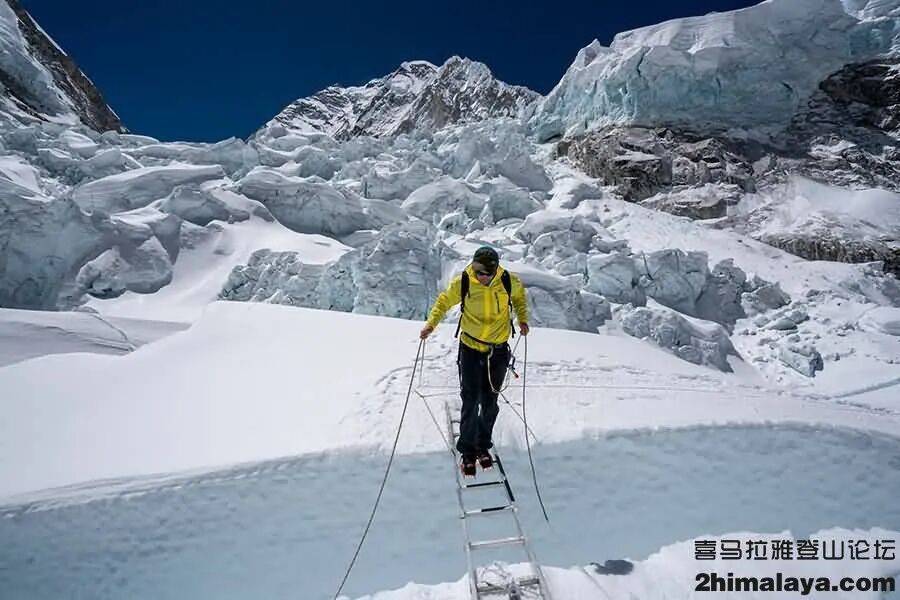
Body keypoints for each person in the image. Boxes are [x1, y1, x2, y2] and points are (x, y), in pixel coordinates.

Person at [420, 246, 530, 477]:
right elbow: (443, 302)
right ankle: (467, 451)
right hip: (470, 348)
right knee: (471, 399)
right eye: (479, 271)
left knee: (490, 401)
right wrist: (431, 324)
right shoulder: (464, 282)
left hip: (498, 351)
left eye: (486, 272)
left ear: (495, 269)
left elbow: (519, 299)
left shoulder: (509, 282)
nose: (482, 276)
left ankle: (483, 445)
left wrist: (523, 320)